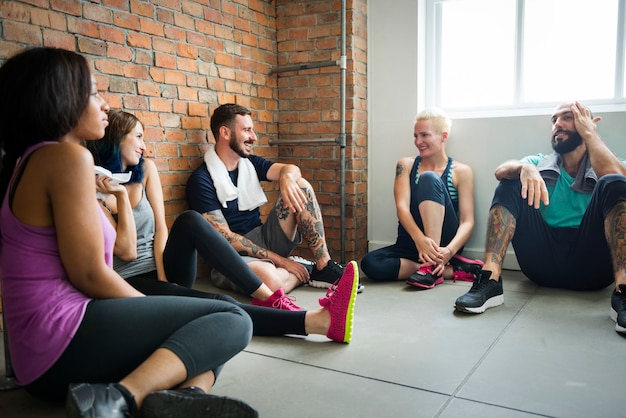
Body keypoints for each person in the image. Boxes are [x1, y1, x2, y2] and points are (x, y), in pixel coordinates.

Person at [0, 47, 258, 418]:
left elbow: (111, 251)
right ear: (59, 99)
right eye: (92, 93)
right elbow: (89, 274)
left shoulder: (37, 161)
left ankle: (185, 397)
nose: (104, 105)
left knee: (207, 326)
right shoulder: (65, 158)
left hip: (45, 355)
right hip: (60, 344)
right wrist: (154, 304)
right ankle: (120, 398)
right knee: (231, 319)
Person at [88, 109, 359, 343]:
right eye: (138, 137)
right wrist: (121, 199)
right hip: (131, 278)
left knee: (189, 220)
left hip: (163, 268)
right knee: (222, 304)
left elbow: (161, 230)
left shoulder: (146, 170)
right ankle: (313, 319)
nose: (144, 146)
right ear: (116, 139)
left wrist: (166, 280)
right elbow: (126, 252)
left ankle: (281, 291)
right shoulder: (93, 187)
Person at [453, 101, 626, 335]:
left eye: (567, 117)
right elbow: (501, 170)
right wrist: (524, 167)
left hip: (593, 268)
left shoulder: (610, 165)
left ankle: (624, 290)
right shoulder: (540, 163)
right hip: (541, 264)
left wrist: (590, 135)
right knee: (512, 178)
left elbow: (617, 177)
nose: (557, 124)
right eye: (554, 120)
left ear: (587, 123)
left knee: (613, 182)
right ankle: (490, 280)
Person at [186, 103, 361, 295]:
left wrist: (286, 177)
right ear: (225, 133)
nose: (254, 137)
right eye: (246, 130)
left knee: (300, 184)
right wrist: (282, 261)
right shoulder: (201, 180)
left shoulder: (250, 164)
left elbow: (292, 169)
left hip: (263, 238)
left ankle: (323, 266)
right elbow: (225, 239)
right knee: (270, 282)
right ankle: (305, 271)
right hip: (230, 257)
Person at [360, 107, 483, 288]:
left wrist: (449, 251)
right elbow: (402, 208)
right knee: (370, 264)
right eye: (415, 136)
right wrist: (420, 240)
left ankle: (432, 266)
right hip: (411, 242)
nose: (418, 141)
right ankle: (449, 270)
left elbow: (467, 221)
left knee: (429, 178)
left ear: (444, 136)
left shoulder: (461, 172)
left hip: (442, 246)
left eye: (424, 135)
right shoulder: (406, 165)